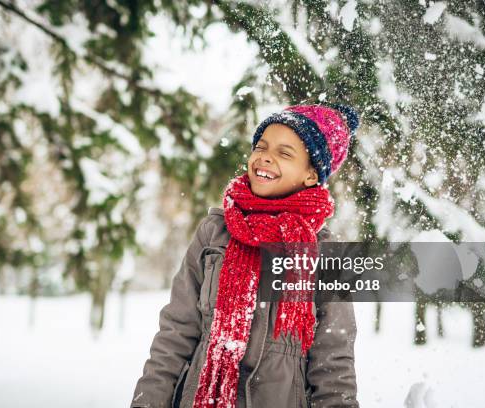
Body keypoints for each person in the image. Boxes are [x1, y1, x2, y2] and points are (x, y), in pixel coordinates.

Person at [131, 103, 361, 408]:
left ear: (310, 175)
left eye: (284, 152)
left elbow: (333, 360)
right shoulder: (214, 232)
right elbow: (175, 332)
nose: (265, 156)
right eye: (261, 146)